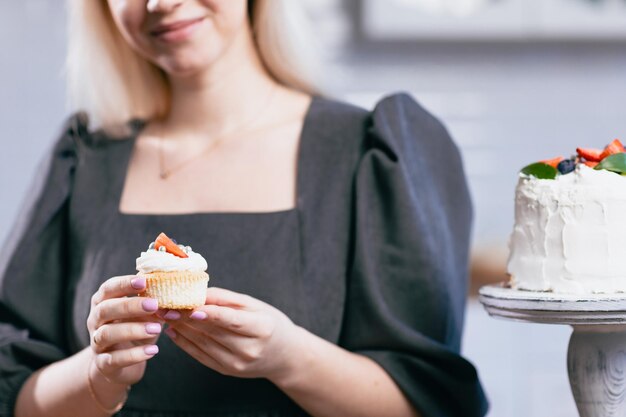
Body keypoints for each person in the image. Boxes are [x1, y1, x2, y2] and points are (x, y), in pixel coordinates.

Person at [0, 0, 488, 416]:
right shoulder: (82, 160)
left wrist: (289, 357)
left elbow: (429, 403)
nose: (159, 3)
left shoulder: (373, 154)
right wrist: (98, 375)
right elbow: (11, 393)